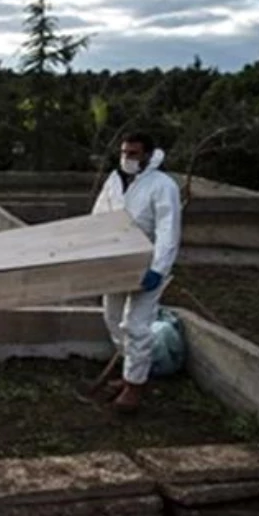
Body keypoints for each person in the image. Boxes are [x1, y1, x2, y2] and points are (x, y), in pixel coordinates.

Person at [87, 132, 182, 412]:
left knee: (136, 325)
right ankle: (131, 372)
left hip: (147, 264)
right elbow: (98, 216)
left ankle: (135, 388)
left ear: (148, 155)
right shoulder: (115, 181)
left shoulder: (163, 185)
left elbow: (168, 231)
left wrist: (158, 269)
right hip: (115, 262)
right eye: (124, 153)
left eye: (133, 154)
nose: (127, 158)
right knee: (113, 318)